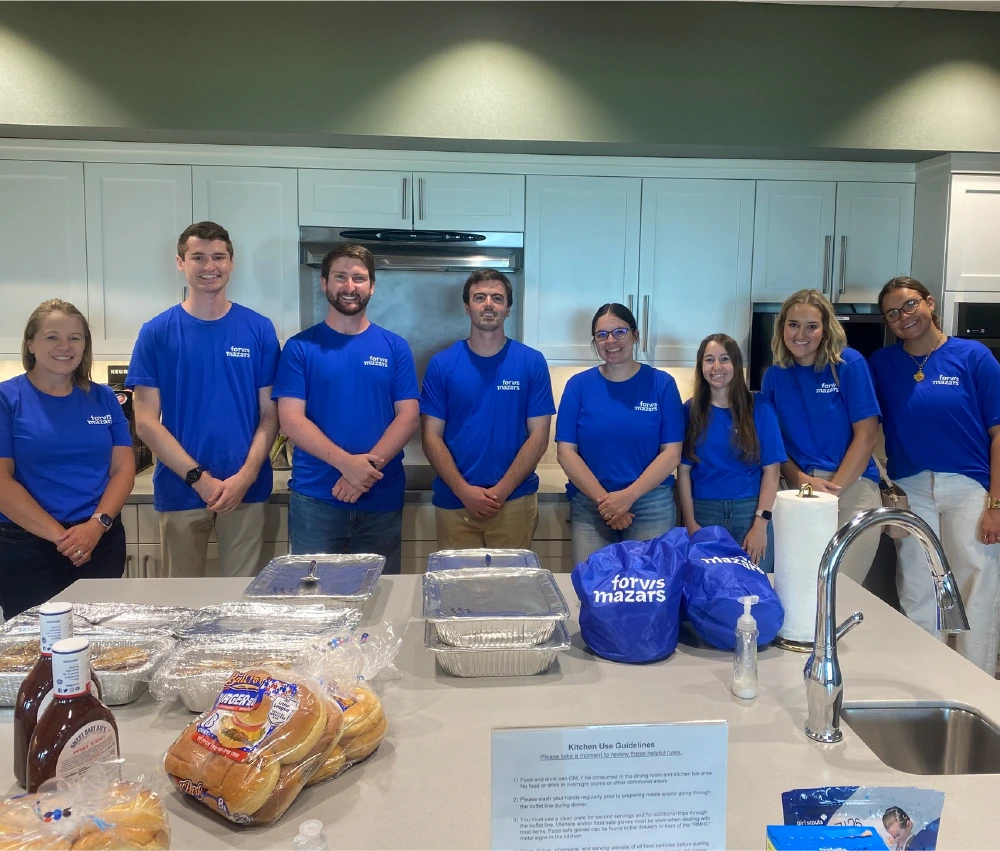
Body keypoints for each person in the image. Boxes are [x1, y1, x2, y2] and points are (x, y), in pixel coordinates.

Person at [128, 222, 280, 578]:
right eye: (198, 257)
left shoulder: (259, 329)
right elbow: (146, 421)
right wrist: (198, 478)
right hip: (180, 488)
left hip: (246, 489)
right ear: (181, 263)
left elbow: (270, 415)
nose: (209, 266)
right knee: (180, 604)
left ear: (231, 262)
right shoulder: (157, 332)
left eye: (218, 257)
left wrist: (245, 476)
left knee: (242, 603)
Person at [870, 276, 1000, 675]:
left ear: (929, 303)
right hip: (911, 488)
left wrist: (996, 503)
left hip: (968, 488)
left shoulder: (973, 356)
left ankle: (975, 687)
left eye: (909, 305)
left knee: (974, 586)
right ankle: (926, 683)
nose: (903, 317)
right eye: (892, 313)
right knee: (919, 587)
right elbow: (862, 420)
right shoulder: (882, 364)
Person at [273, 244, 419, 574]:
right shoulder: (300, 348)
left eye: (359, 278)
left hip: (381, 498)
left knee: (381, 600)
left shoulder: (394, 347)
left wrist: (362, 475)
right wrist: (347, 465)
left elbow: (408, 416)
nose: (349, 286)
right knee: (314, 605)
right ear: (324, 283)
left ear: (372, 286)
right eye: (340, 277)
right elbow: (291, 420)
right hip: (315, 500)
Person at [0, 300, 135, 617]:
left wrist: (96, 527)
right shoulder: (7, 399)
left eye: (75, 337)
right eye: (52, 337)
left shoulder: (103, 397)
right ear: (31, 343)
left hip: (100, 540)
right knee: (35, 648)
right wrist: (65, 538)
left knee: (101, 644)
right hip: (28, 546)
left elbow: (123, 468)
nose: (65, 346)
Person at [421, 269, 554, 549]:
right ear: (467, 308)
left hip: (515, 500)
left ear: (508, 309)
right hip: (455, 501)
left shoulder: (531, 362)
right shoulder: (442, 364)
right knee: (456, 589)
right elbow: (431, 436)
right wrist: (463, 491)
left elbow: (539, 435)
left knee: (512, 588)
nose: (489, 304)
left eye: (497, 298)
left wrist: (502, 491)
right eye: (480, 298)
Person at [760, 289, 882, 584]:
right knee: (800, 589)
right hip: (798, 489)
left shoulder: (848, 364)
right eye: (793, 324)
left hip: (851, 487)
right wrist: (801, 479)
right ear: (782, 328)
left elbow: (866, 435)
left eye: (811, 326)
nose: (801, 334)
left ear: (825, 329)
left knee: (841, 588)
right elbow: (774, 446)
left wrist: (832, 490)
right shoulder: (774, 377)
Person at [555, 303, 684, 566]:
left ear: (635, 336)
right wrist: (607, 502)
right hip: (591, 505)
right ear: (595, 342)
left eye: (619, 332)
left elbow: (672, 453)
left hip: (651, 504)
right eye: (602, 335)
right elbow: (565, 453)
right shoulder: (578, 386)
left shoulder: (662, 384)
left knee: (647, 591)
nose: (610, 341)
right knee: (594, 591)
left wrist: (628, 497)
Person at [677, 334, 785, 572]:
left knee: (755, 590)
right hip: (704, 513)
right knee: (708, 592)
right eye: (709, 360)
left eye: (724, 359)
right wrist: (691, 523)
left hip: (751, 511)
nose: (717, 367)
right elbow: (683, 471)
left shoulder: (759, 407)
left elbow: (772, 471)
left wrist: (760, 525)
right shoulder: (690, 411)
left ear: (736, 365)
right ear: (701, 366)